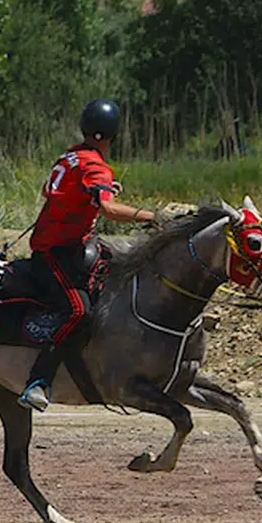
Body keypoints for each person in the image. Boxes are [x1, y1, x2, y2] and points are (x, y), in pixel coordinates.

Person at [18, 99, 158, 413]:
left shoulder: (70, 156)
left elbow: (48, 189)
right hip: (54, 253)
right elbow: (109, 209)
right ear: (113, 135)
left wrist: (94, 190)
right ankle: (38, 381)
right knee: (78, 311)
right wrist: (151, 216)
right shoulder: (95, 166)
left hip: (69, 245)